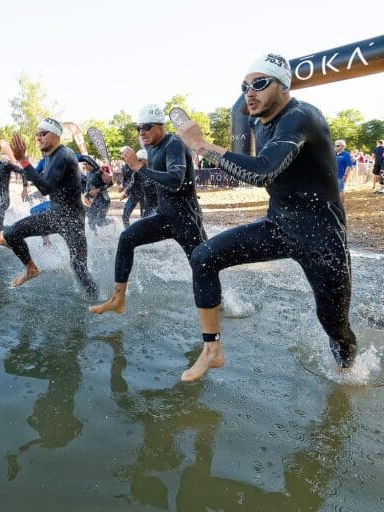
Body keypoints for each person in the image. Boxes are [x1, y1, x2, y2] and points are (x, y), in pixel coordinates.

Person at [176, 53, 357, 381]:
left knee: (334, 324)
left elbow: (263, 172)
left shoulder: (301, 116)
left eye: (260, 83)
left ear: (283, 85)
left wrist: (202, 145)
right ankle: (212, 350)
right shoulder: (260, 123)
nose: (250, 92)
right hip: (278, 226)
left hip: (322, 238)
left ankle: (348, 374)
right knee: (203, 257)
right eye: (245, 86)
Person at [89, 104, 205, 315]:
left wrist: (139, 167)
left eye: (147, 127)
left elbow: (175, 181)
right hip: (164, 216)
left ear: (160, 126)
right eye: (138, 128)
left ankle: (219, 302)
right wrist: (123, 183)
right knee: (127, 238)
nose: (141, 132)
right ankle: (118, 299)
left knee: (201, 265)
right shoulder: (153, 149)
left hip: (186, 219)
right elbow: (152, 180)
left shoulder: (174, 144)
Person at [0, 118, 98, 298]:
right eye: (37, 134)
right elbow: (33, 175)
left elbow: (45, 188)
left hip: (71, 219)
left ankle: (96, 299)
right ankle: (31, 269)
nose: (39, 138)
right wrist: (19, 162)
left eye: (43, 134)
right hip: (56, 214)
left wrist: (23, 160)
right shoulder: (48, 156)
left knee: (79, 268)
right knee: (11, 233)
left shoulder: (64, 155)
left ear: (56, 135)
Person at [0, 148, 28, 235]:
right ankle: (11, 232)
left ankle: (16, 232)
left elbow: (23, 172)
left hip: (3, 200)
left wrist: (25, 187)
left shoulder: (5, 165)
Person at [81, 154, 113, 232]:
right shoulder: (88, 173)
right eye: (84, 164)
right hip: (94, 200)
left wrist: (98, 190)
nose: (85, 166)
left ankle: (113, 220)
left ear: (92, 164)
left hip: (104, 200)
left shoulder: (100, 172)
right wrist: (86, 196)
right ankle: (95, 238)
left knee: (99, 222)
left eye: (87, 164)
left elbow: (110, 183)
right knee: (90, 220)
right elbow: (87, 187)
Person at [335, 140, 354, 205]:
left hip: (341, 176)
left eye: (337, 145)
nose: (335, 147)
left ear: (342, 146)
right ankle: (336, 203)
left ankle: (341, 205)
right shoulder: (333, 154)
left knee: (340, 190)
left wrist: (345, 175)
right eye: (335, 145)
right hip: (333, 176)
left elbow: (349, 165)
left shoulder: (346, 154)